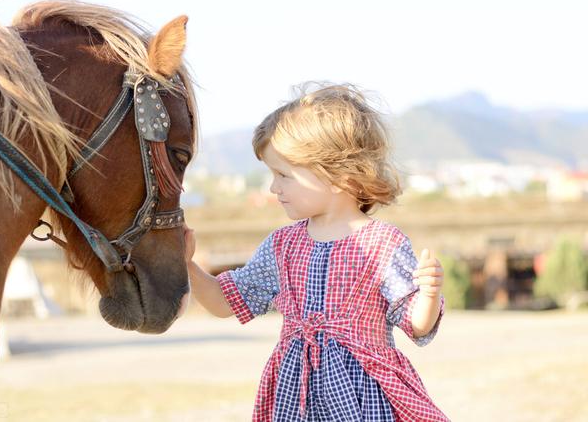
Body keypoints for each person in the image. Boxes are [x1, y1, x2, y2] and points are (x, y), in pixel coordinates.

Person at [183, 83, 449, 421]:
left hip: (364, 398)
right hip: (297, 397)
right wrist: (188, 265)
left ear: (337, 175)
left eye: (284, 175)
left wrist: (429, 292)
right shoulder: (283, 246)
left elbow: (417, 324)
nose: (273, 187)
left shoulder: (383, 243)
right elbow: (226, 302)